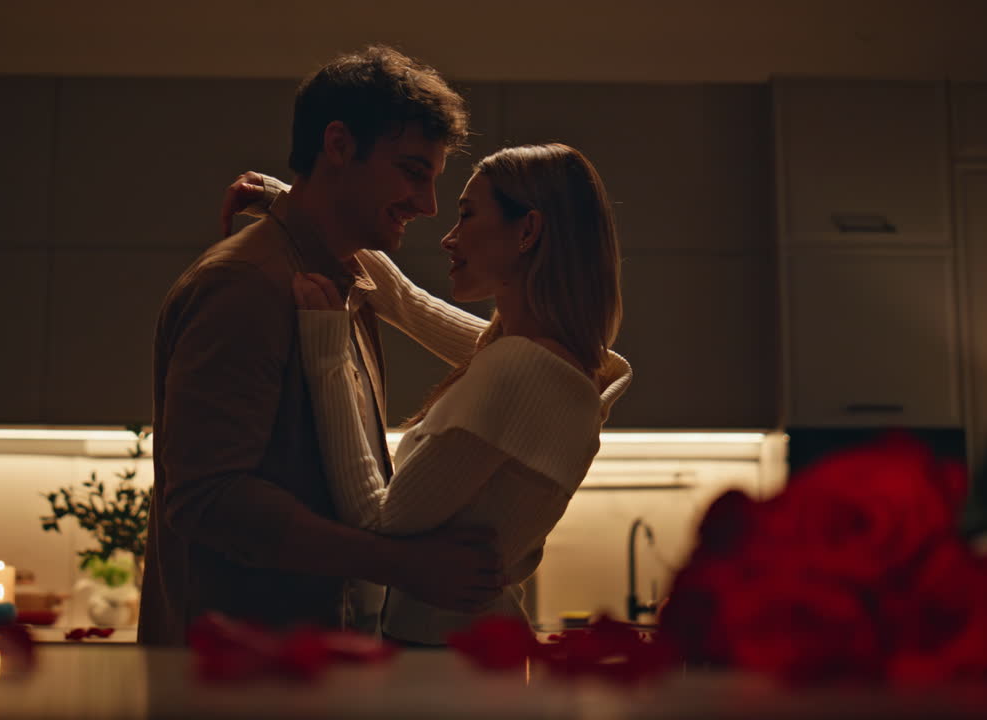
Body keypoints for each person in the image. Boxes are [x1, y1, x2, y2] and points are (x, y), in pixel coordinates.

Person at [138, 46, 506, 647]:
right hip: (235, 680)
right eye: (414, 172)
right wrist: (404, 565)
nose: (429, 206)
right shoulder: (246, 285)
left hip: (307, 669)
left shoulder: (345, 278)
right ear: (338, 145)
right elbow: (209, 498)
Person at [239, 143, 632, 646]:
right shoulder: (561, 365)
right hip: (483, 646)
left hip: (441, 655)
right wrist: (295, 208)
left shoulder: (517, 370)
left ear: (528, 231)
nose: (448, 237)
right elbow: (407, 303)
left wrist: (326, 348)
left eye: (467, 215)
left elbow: (374, 519)